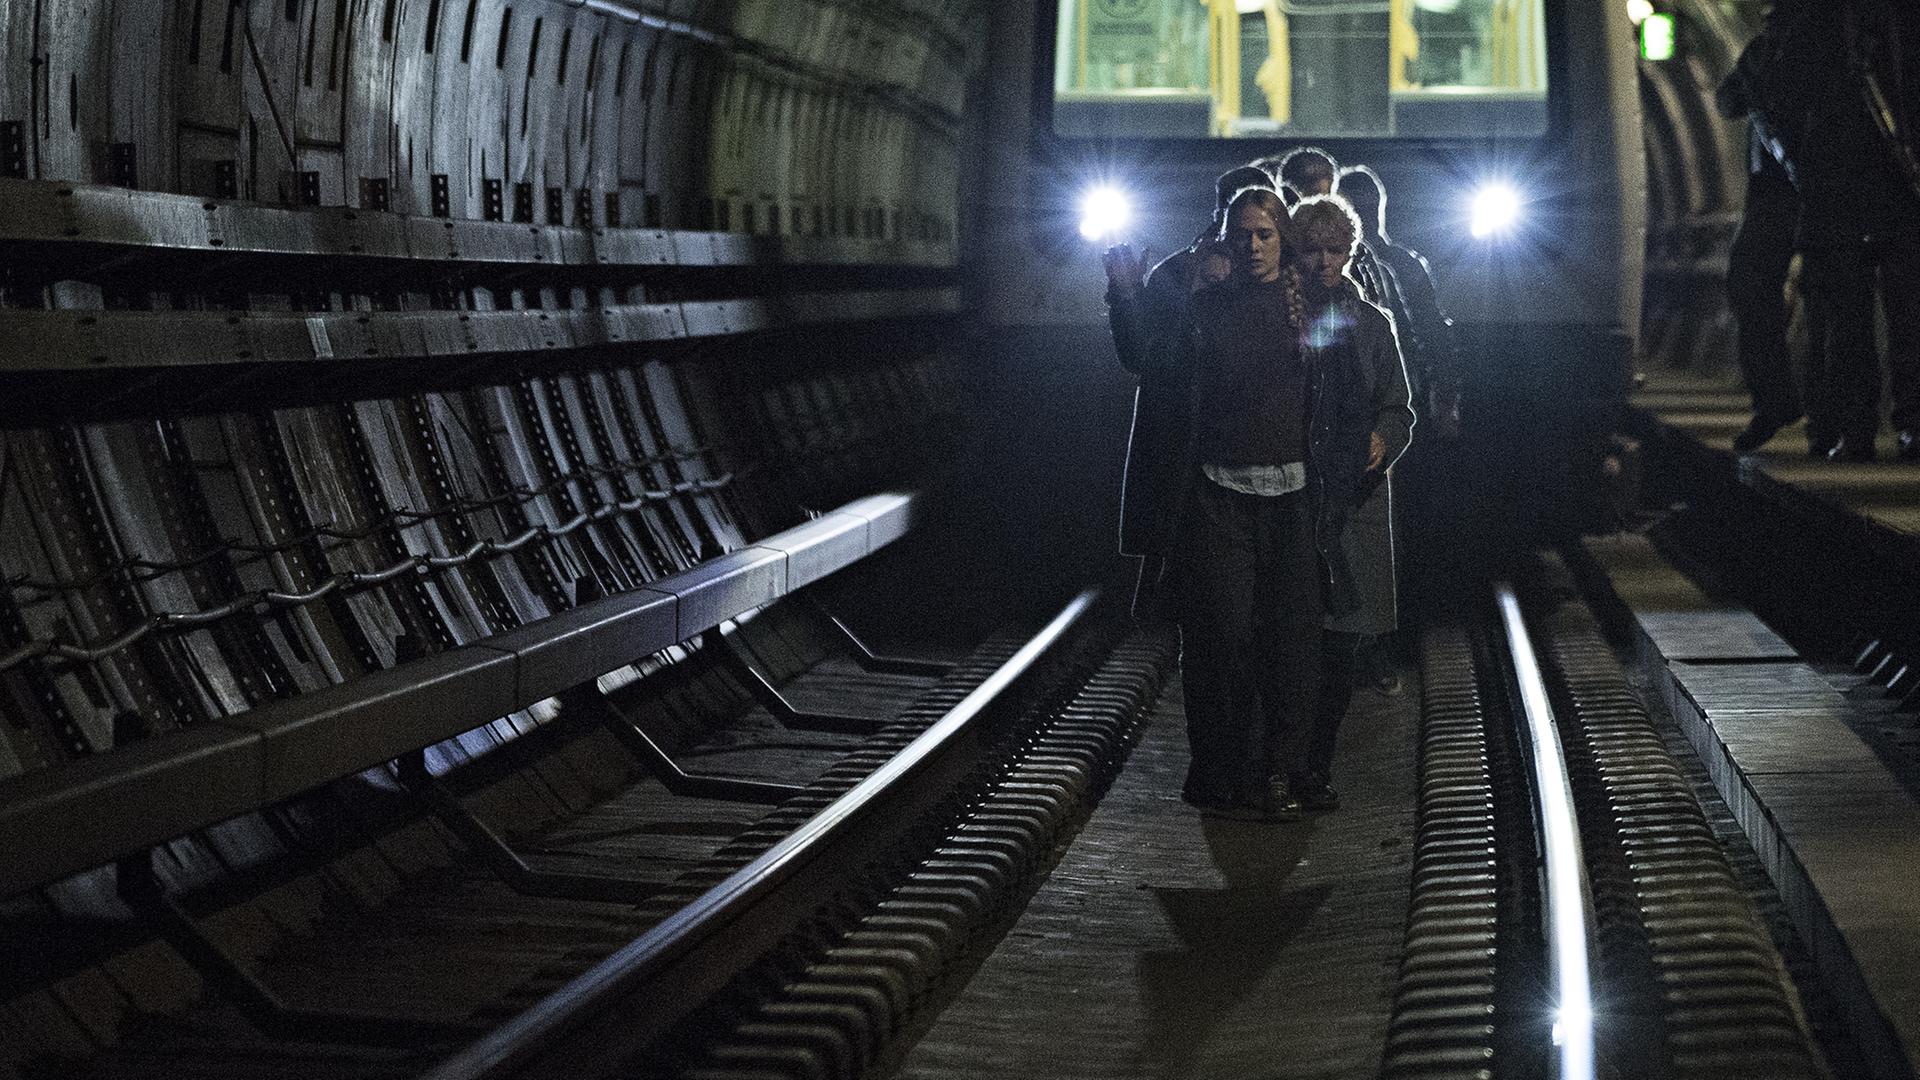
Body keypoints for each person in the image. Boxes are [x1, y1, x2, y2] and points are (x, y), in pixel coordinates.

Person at [1104, 186, 1375, 821]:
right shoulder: (1205, 307)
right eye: (1243, 235)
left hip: (1295, 503)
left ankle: (1278, 772)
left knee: (1293, 646)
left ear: (1282, 239)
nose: (1253, 246)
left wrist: (1338, 488)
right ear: (1227, 240)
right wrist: (1125, 292)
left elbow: (1347, 396)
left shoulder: (1315, 309)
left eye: (1265, 235)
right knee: (1220, 640)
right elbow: (1149, 359)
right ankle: (1223, 770)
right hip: (1218, 499)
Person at [1288, 194, 1415, 810]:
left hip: (1353, 503)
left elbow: (1399, 406)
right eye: (1310, 250)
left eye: (1333, 250)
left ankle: (1314, 766)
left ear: (1350, 252)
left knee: (1340, 645)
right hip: (1295, 497)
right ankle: (1294, 764)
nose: (1322, 262)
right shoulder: (1281, 319)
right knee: (1297, 641)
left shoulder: (1371, 325)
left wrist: (1382, 438)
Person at [1337, 165, 1461, 438]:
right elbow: (1434, 331)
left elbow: (1432, 331)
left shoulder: (1399, 263)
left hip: (1399, 391)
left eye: (1368, 206)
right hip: (1395, 391)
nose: (1366, 214)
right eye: (1361, 207)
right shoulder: (1399, 263)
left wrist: (1445, 397)